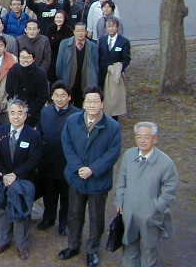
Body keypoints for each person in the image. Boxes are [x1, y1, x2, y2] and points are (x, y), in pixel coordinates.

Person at [59, 87, 121, 267]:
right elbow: (67, 145)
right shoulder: (72, 121)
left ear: (102, 104)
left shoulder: (113, 127)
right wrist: (78, 167)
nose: (92, 105)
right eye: (89, 101)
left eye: (96, 101)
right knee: (74, 214)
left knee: (96, 218)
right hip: (76, 177)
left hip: (98, 181)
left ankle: (92, 250)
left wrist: (93, 169)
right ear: (83, 103)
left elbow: (113, 153)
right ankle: (73, 245)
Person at [115, 122, 178, 267]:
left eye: (146, 137)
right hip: (129, 213)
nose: (142, 140)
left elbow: (170, 189)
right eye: (138, 137)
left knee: (149, 250)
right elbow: (121, 180)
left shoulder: (166, 163)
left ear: (155, 139)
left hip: (150, 216)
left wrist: (157, 207)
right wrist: (119, 201)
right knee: (129, 247)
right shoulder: (129, 155)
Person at [0, 99, 42, 261]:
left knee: (21, 211)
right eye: (12, 113)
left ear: (25, 115)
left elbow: (34, 159)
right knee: (3, 210)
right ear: (8, 114)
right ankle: (3, 241)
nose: (16, 116)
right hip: (4, 179)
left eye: (20, 113)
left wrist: (16, 174)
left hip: (24, 180)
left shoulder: (33, 135)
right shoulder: (0, 131)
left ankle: (22, 245)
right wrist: (4, 174)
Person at [37, 82, 80, 235]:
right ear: (52, 97)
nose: (60, 99)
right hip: (48, 161)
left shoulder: (77, 115)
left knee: (66, 195)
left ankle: (64, 223)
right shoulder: (45, 112)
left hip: (67, 162)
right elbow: (40, 133)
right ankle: (48, 218)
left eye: (63, 96)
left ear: (69, 97)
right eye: (56, 95)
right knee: (49, 193)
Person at [56, 22, 99, 105]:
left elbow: (96, 67)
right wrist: (63, 79)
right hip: (69, 80)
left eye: (82, 31)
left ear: (86, 32)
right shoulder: (64, 44)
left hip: (86, 81)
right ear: (74, 32)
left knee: (82, 105)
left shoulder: (93, 46)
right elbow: (59, 66)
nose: (80, 33)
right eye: (78, 31)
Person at [5, 48, 49, 127]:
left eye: (28, 57)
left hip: (33, 112)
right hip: (16, 109)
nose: (25, 60)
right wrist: (14, 104)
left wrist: (30, 110)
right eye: (22, 57)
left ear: (33, 59)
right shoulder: (14, 69)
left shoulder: (40, 73)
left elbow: (43, 96)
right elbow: (8, 88)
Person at [47, 11, 74, 82]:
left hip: (64, 57)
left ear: (64, 19)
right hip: (52, 57)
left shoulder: (68, 30)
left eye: (61, 18)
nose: (58, 19)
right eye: (57, 17)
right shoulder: (51, 28)